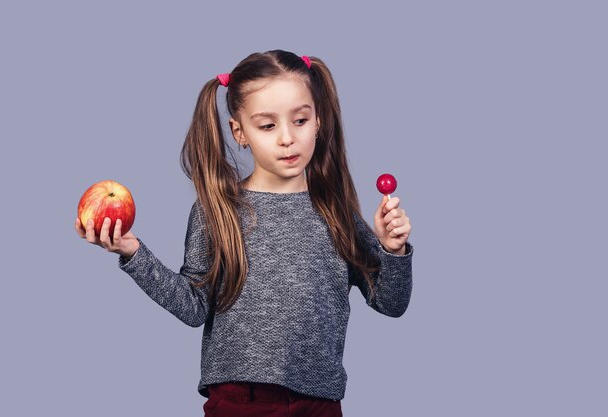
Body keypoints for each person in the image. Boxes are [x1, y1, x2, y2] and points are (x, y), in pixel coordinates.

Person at [75, 49, 413, 417]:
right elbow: (192, 307)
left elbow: (390, 304)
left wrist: (393, 251)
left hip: (319, 405)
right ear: (240, 132)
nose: (287, 138)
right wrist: (132, 252)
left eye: (300, 120)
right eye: (267, 126)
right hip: (238, 403)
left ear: (318, 121)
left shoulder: (337, 214)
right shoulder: (217, 211)